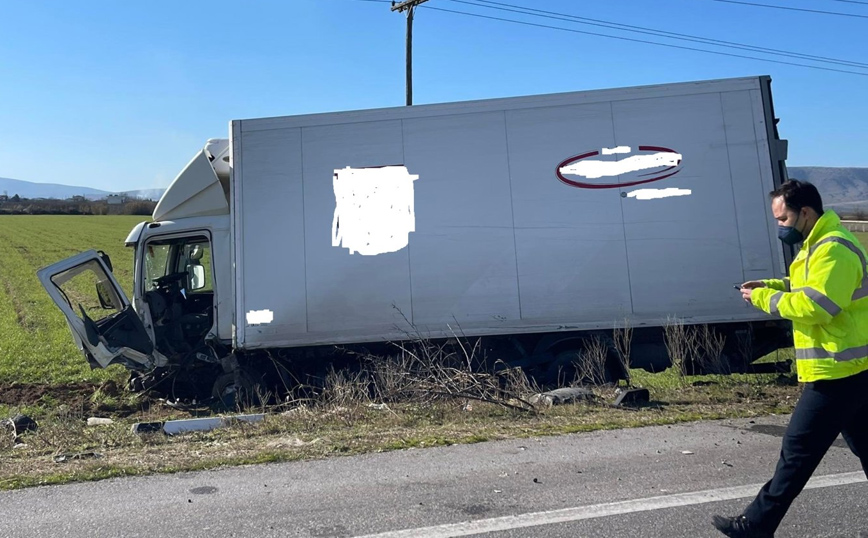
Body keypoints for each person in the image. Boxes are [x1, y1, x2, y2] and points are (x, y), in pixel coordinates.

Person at [712, 179, 868, 537]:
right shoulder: (817, 244)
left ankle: (754, 525)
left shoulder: (833, 249)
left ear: (806, 213)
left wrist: (765, 300)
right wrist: (770, 285)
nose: (780, 225)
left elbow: (817, 306)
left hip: (838, 372)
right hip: (850, 369)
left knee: (797, 453)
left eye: (783, 218)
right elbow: (806, 287)